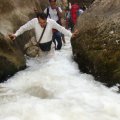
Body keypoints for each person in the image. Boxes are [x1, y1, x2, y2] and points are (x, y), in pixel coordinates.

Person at [8, 12, 78, 55]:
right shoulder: (34, 22)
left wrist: (71, 34)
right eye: (40, 22)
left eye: (44, 22)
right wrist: (15, 34)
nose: (42, 24)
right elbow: (24, 28)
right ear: (37, 19)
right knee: (41, 66)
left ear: (46, 19)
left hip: (51, 47)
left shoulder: (51, 22)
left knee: (50, 65)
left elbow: (61, 29)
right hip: (41, 48)